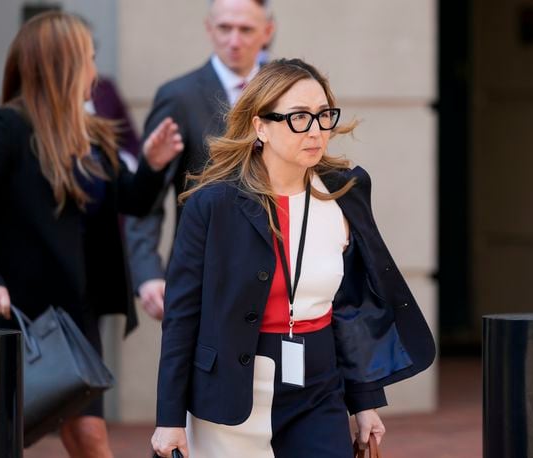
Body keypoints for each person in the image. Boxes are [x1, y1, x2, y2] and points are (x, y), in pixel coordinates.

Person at [149, 58, 436, 458]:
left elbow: (351, 303)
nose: (316, 130)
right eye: (299, 118)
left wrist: (365, 401)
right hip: (231, 389)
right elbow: (182, 317)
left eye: (323, 116)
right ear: (260, 126)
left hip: (319, 386)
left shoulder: (345, 193)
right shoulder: (212, 206)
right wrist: (169, 419)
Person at [0, 12, 183, 457]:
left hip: (74, 311)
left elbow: (129, 201)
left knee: (89, 434)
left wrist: (152, 166)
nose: (95, 71)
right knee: (0, 438)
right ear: (62, 65)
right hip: (11, 308)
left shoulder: (92, 133)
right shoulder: (7, 130)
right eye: (88, 59)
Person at [125, 0, 275, 320]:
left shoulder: (286, 95)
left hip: (279, 272)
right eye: (224, 28)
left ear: (267, 31)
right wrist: (148, 271)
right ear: (209, 28)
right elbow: (146, 195)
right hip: (204, 275)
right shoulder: (178, 96)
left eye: (246, 29)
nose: (234, 41)